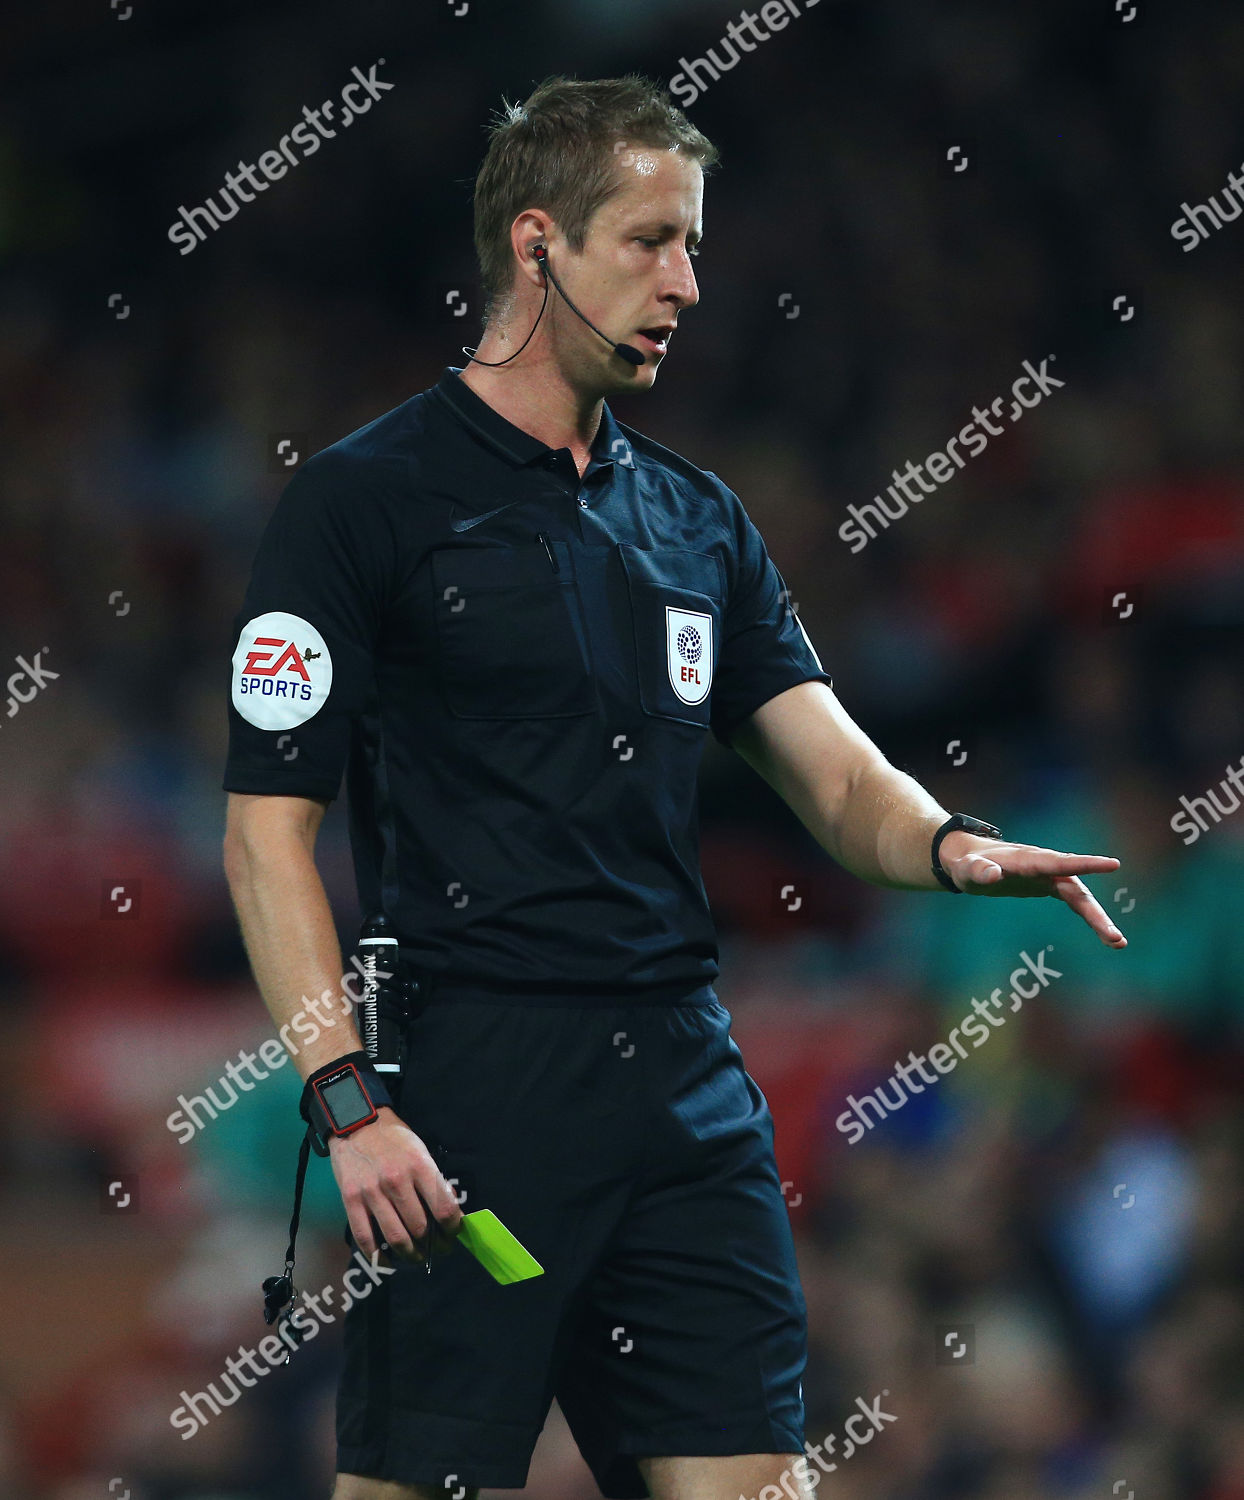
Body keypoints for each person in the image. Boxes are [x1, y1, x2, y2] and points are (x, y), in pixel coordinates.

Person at [222, 73, 1127, 1500]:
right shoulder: (362, 501)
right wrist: (346, 1103)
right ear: (536, 247)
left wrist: (950, 846)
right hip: (469, 1091)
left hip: (685, 1089)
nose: (689, 283)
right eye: (652, 241)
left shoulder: (697, 519)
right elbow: (265, 837)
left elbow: (834, 772)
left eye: (692, 243)